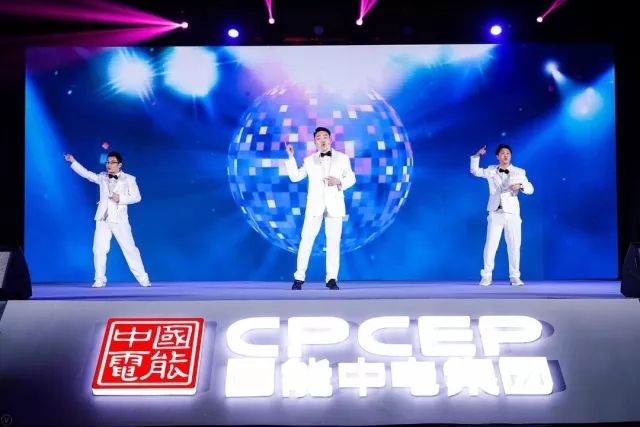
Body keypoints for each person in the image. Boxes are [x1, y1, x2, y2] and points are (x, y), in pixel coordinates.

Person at [64, 152, 151, 288]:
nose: (109, 165)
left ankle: (143, 278)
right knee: (99, 249)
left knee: (129, 249)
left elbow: (137, 197)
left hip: (119, 219)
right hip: (102, 219)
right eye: (107, 162)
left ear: (119, 164)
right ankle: (99, 279)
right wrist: (73, 161)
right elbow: (87, 174)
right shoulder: (103, 177)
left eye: (112, 162)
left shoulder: (129, 179)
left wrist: (120, 199)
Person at [284, 127, 356, 290]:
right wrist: (291, 157)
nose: (322, 140)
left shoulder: (342, 158)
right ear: (315, 142)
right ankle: (299, 277)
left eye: (325, 137)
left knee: (333, 243)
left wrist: (339, 182)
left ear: (330, 139)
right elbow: (295, 177)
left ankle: (331, 279)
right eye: (318, 138)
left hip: (335, 205)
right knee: (306, 240)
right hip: (314, 206)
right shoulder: (309, 160)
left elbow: (351, 178)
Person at [470, 144, 534, 287]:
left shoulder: (519, 172)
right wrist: (477, 156)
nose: (506, 155)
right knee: (490, 245)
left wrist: (521, 186)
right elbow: (475, 171)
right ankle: (486, 275)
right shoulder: (491, 170)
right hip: (496, 212)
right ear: (497, 156)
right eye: (503, 153)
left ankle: (515, 276)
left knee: (514, 246)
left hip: (512, 213)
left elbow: (530, 188)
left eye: (508, 153)